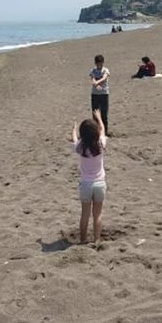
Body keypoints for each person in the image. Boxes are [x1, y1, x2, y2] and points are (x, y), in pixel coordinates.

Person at [70, 109, 108, 243]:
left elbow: (74, 138)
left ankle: (82, 240)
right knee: (97, 215)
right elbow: (102, 129)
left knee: (85, 215)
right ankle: (97, 240)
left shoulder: (80, 147)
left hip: (85, 184)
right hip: (100, 183)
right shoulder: (101, 144)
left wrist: (74, 129)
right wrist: (99, 118)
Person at [89, 55, 110, 134]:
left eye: (101, 64)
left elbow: (104, 78)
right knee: (95, 114)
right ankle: (96, 132)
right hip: (95, 94)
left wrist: (97, 83)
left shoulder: (105, 70)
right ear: (95, 63)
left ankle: (105, 131)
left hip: (104, 93)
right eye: (98, 64)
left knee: (104, 114)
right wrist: (96, 83)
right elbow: (92, 78)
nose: (99, 65)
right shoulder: (92, 70)